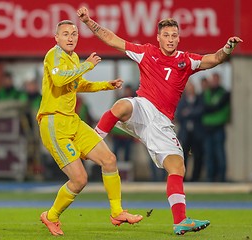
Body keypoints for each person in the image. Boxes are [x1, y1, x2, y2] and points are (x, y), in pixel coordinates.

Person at [78, 7, 242, 235]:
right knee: (122, 106)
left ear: (178, 38)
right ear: (158, 37)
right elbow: (113, 39)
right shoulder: (147, 52)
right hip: (143, 107)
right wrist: (88, 22)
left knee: (177, 168)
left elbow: (214, 59)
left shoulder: (186, 61)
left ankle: (180, 221)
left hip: (162, 123)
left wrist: (227, 48)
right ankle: (91, 143)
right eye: (166, 35)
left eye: (174, 35)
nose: (171, 39)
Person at [37, 20, 142, 236]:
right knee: (80, 180)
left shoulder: (73, 58)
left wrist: (106, 84)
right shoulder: (53, 55)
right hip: (54, 123)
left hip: (72, 120)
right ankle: (51, 216)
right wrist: (87, 65)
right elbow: (58, 80)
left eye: (73, 33)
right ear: (56, 38)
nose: (70, 37)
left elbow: (78, 84)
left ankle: (117, 212)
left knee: (109, 160)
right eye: (65, 34)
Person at [202, 73, 230, 182]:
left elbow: (216, 107)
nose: (214, 82)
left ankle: (222, 178)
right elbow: (205, 107)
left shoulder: (224, 93)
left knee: (219, 154)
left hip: (218, 127)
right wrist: (211, 108)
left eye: (216, 80)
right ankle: (210, 178)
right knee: (208, 154)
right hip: (208, 127)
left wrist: (210, 108)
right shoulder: (207, 93)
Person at [176, 81, 204, 181]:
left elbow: (200, 111)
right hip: (185, 133)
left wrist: (188, 112)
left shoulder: (199, 99)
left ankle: (195, 178)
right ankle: (183, 177)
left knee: (198, 155)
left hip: (196, 134)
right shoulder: (182, 101)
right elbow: (178, 115)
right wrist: (191, 113)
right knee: (184, 156)